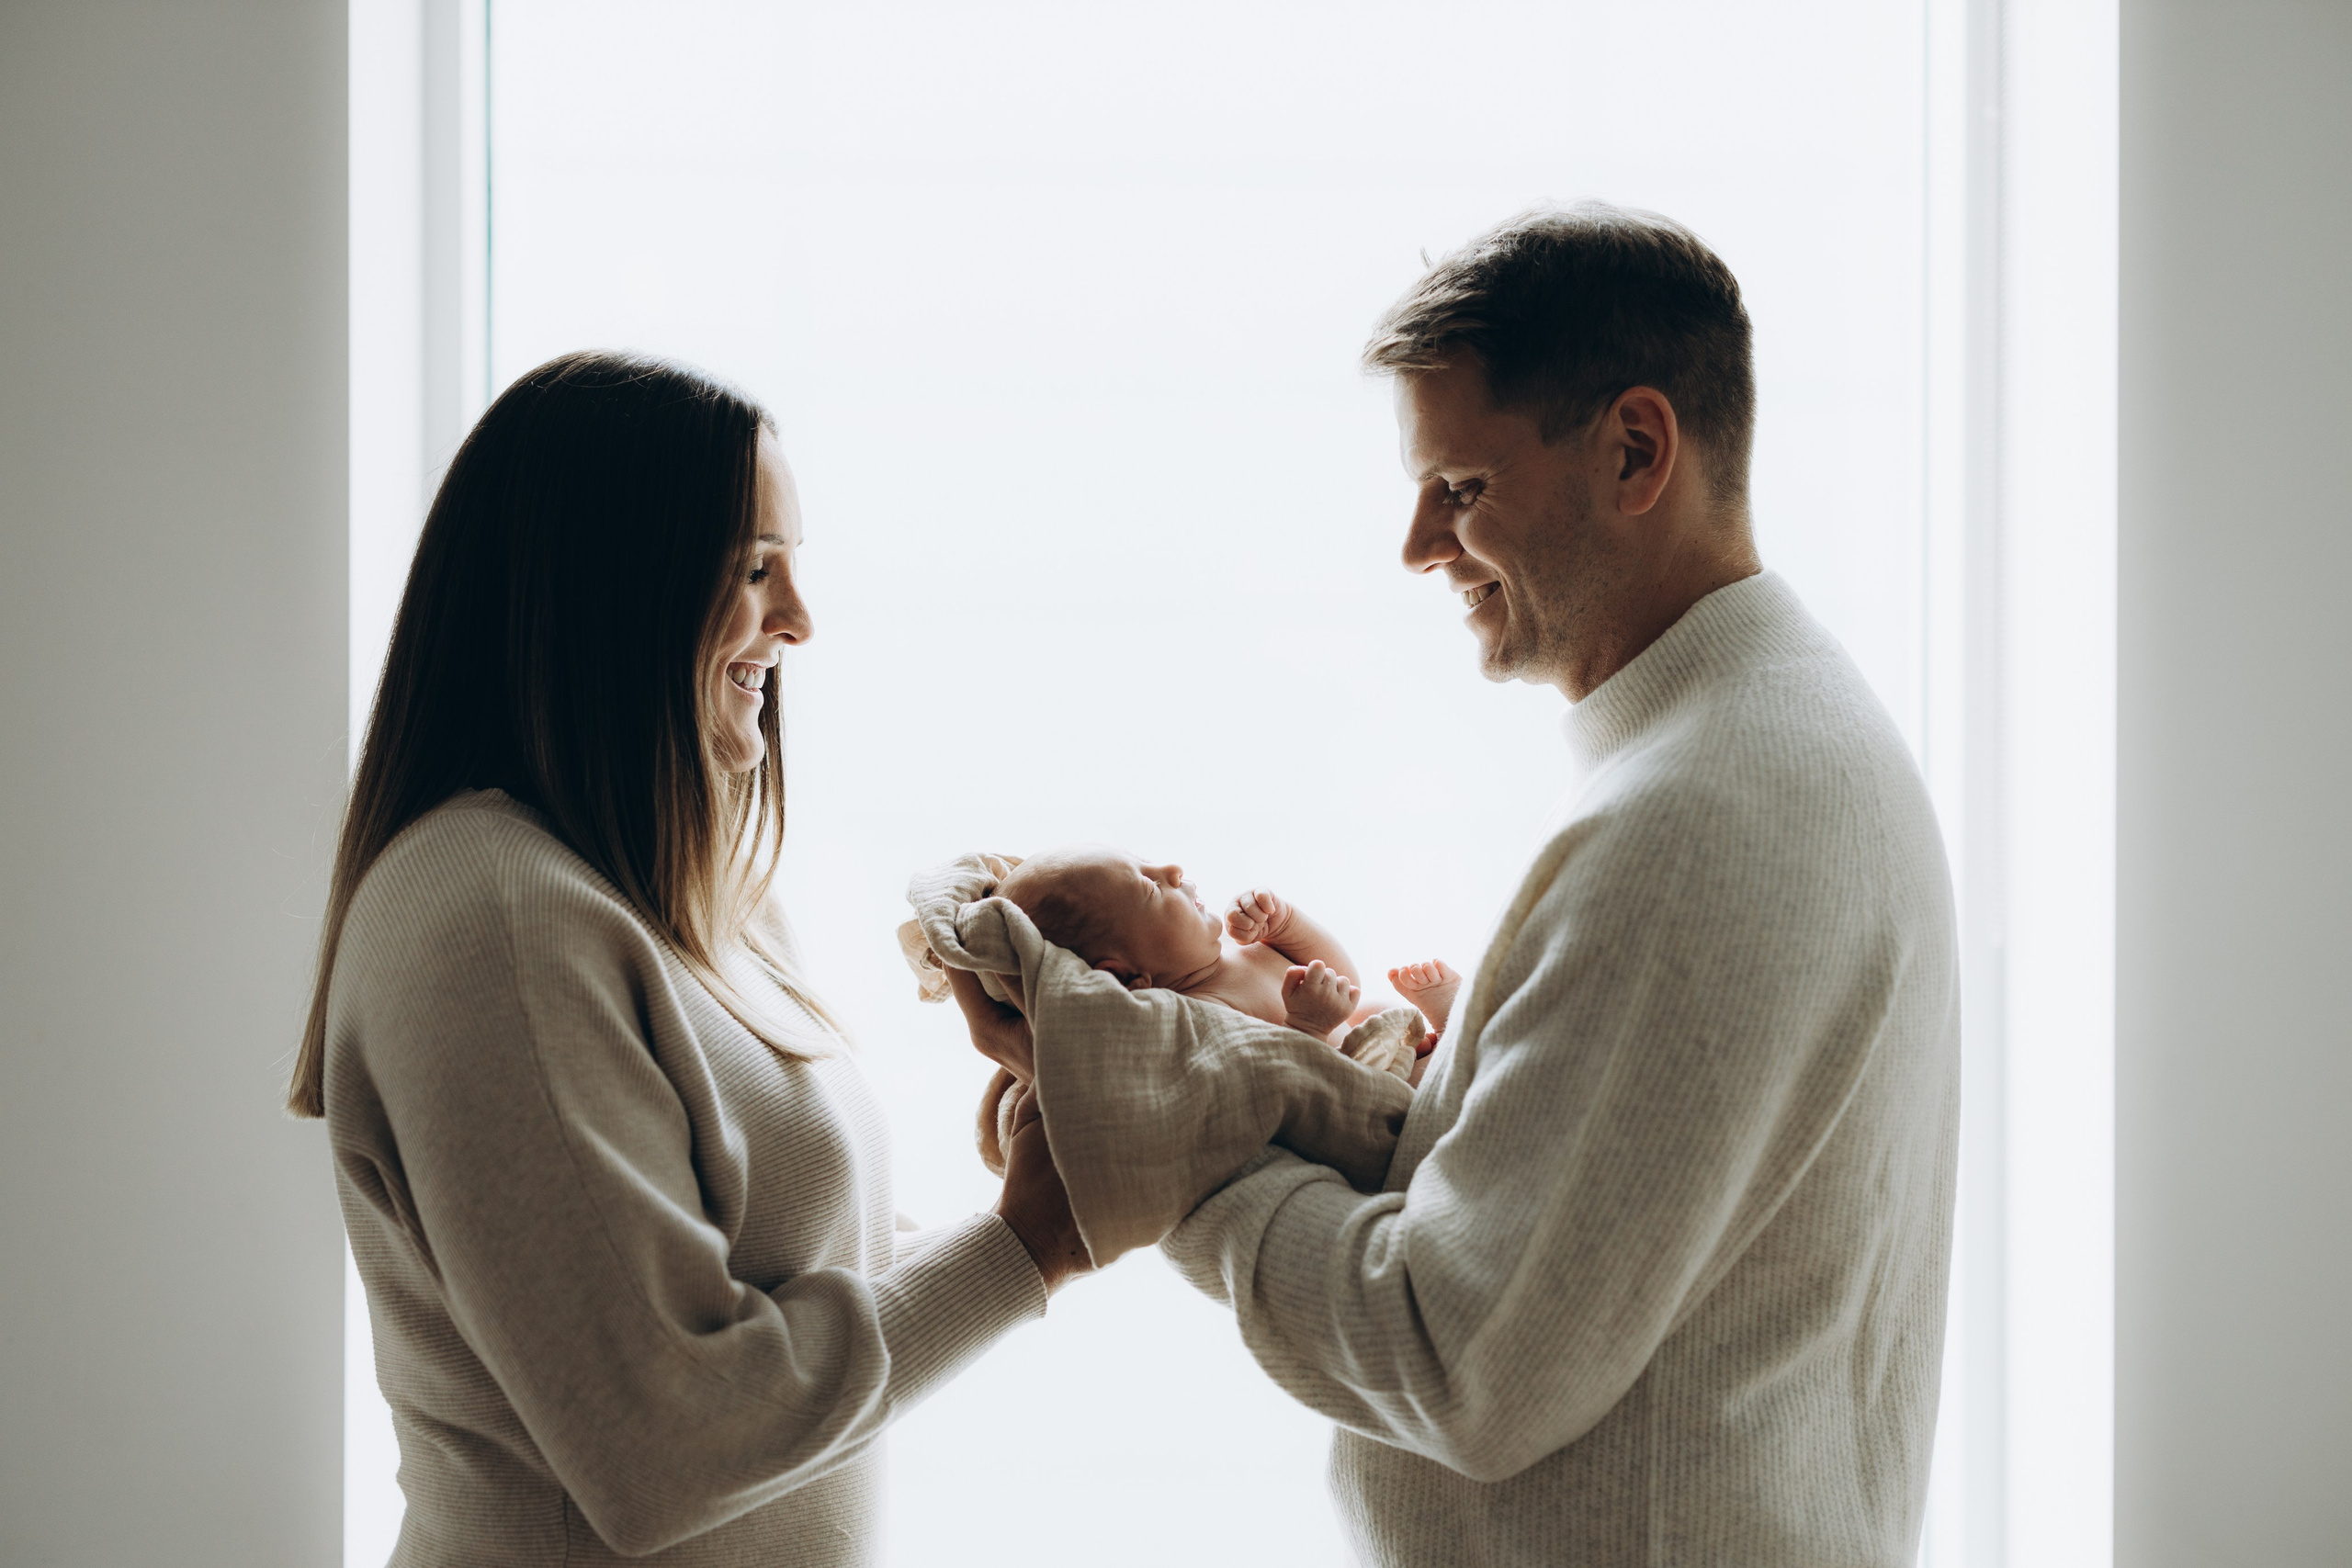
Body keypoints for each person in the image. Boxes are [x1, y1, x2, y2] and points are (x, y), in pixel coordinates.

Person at [956, 203, 1962, 1565]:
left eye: (1465, 488)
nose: (1420, 545)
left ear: (1635, 450)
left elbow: (1459, 1361)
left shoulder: (1699, 815)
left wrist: (1164, 1137)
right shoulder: (1759, 743)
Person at [288, 352, 1087, 1566]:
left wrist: (1050, 1178)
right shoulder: (491, 916)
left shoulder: (704, 905)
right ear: (618, 587)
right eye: (757, 568)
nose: (800, 622)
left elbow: (802, 1286)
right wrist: (1026, 1246)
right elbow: (666, 1444)